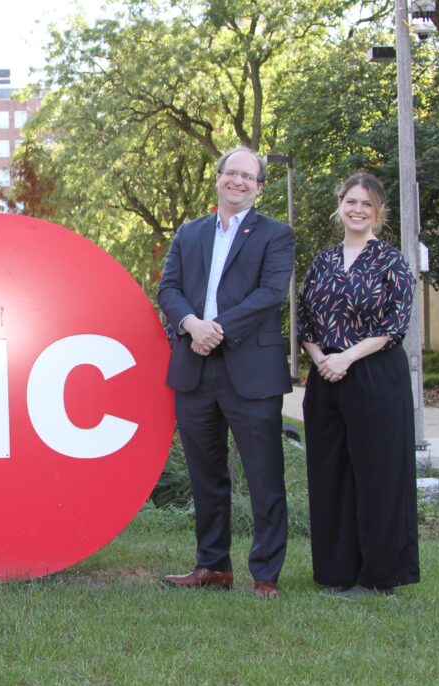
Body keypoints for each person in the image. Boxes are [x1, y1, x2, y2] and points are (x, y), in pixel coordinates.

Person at [157, 147, 295, 599]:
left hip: (249, 370)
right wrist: (190, 324)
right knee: (206, 475)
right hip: (194, 369)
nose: (237, 181)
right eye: (230, 173)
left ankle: (265, 574)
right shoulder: (190, 232)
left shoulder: (275, 234)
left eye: (247, 177)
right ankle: (213, 566)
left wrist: (216, 329)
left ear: (258, 186)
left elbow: (271, 292)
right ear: (218, 179)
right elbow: (169, 288)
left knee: (264, 476)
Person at [297, 173, 419, 598]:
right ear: (341, 204)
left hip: (374, 373)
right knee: (330, 474)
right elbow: (304, 322)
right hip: (325, 374)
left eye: (367, 204)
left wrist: (346, 358)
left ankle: (377, 576)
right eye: (351, 201)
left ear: (378, 212)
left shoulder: (391, 262)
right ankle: (336, 572)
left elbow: (394, 325)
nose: (358, 209)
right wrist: (322, 360)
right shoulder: (322, 262)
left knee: (377, 476)